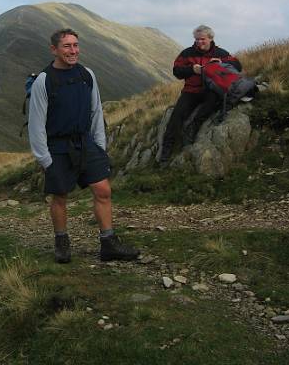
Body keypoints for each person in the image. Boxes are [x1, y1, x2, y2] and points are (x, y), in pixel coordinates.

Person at [28, 28, 139, 263]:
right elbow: (36, 124)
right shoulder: (44, 81)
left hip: (86, 142)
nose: (73, 50)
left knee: (103, 191)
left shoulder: (87, 74)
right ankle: (61, 242)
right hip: (57, 147)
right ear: (54, 49)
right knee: (60, 197)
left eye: (76, 45)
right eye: (67, 46)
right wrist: (45, 159)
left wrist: (99, 145)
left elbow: (96, 110)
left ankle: (108, 244)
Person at [159, 25, 242, 162]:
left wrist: (221, 62)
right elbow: (177, 71)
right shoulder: (187, 53)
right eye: (197, 39)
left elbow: (237, 65)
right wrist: (192, 69)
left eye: (202, 39)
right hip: (191, 91)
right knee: (176, 116)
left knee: (212, 101)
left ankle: (193, 128)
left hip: (211, 90)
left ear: (210, 38)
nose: (199, 42)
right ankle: (166, 151)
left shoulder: (220, 53)